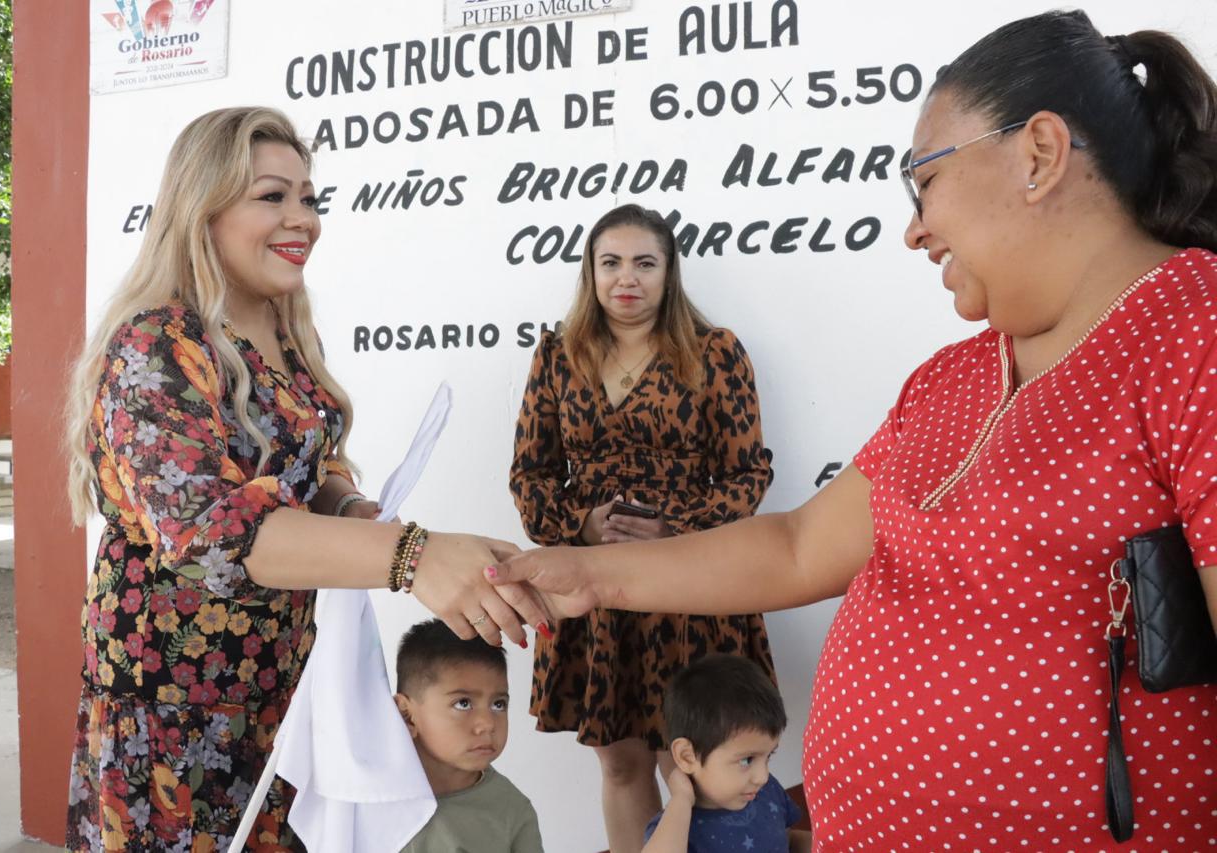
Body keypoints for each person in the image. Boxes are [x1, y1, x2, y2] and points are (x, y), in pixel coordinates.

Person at [490, 10, 1217, 849]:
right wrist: (592, 573)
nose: (914, 227)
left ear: (1040, 154)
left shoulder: (1191, 329)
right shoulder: (953, 377)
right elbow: (799, 546)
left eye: (925, 181)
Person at [62, 107, 546, 852]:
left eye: (309, 197)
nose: (303, 219)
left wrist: (351, 507)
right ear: (203, 208)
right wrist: (409, 555)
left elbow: (306, 466)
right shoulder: (158, 342)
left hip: (280, 692)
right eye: (272, 196)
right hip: (177, 711)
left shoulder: (287, 329)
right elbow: (211, 531)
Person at [509, 203, 777, 851]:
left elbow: (748, 477)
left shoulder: (715, 353)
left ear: (669, 271)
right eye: (611, 263)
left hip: (687, 587)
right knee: (620, 759)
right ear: (590, 272)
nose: (626, 278)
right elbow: (529, 474)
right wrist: (583, 522)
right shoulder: (557, 354)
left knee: (689, 762)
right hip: (594, 589)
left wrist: (671, 529)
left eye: (643, 263)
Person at [394, 619, 544, 852]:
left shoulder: (512, 810)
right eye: (463, 703)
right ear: (407, 715)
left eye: (498, 704)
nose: (487, 724)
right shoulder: (369, 795)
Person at [643, 655, 810, 853]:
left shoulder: (766, 791)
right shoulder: (676, 827)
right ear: (687, 756)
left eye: (768, 756)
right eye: (747, 760)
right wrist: (681, 800)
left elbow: (787, 840)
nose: (762, 777)